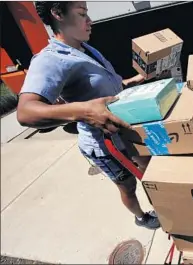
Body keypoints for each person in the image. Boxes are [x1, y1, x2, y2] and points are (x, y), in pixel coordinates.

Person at [17, 1, 160, 229]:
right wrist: (84, 111)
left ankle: (167, 209)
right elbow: (25, 112)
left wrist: (133, 81)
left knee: (152, 173)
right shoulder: (51, 59)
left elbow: (104, 89)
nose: (89, 21)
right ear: (57, 14)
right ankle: (141, 217)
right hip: (105, 146)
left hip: (124, 134)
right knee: (128, 186)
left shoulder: (84, 48)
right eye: (82, 14)